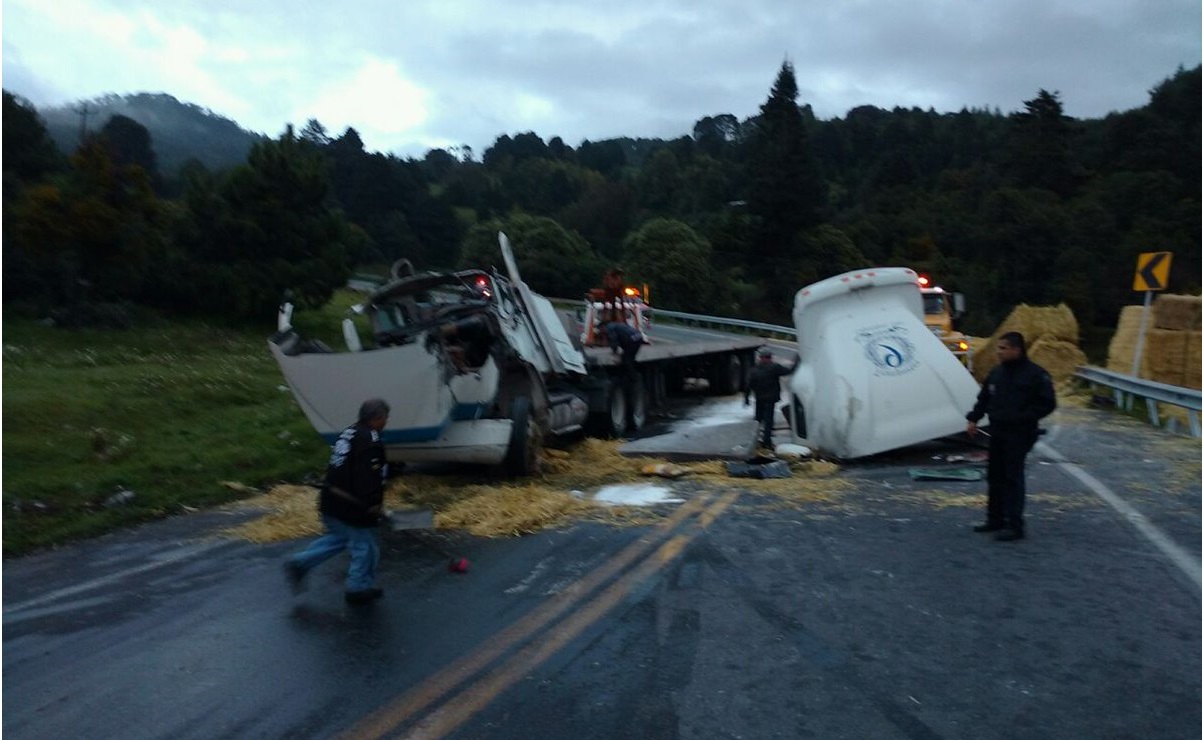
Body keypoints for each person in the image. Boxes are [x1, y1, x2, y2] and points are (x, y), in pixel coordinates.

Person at [285, 398, 391, 603]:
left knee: (341, 538)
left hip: (331, 500)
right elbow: (368, 478)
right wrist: (374, 504)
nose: (386, 422)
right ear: (377, 418)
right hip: (352, 505)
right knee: (366, 545)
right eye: (385, 418)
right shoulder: (370, 441)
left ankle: (299, 563)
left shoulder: (350, 432)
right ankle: (358, 589)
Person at [965, 332, 1056, 542]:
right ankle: (994, 519)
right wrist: (973, 419)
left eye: (1003, 348)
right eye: (998, 348)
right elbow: (984, 399)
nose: (999, 352)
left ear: (1017, 350)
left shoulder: (1035, 375)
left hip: (1020, 432)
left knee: (1012, 477)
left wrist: (1022, 418)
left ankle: (1014, 525)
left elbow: (1047, 404)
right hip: (997, 431)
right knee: (995, 475)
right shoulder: (997, 373)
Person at [744, 347, 798, 451]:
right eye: (768, 357)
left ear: (760, 358)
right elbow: (789, 371)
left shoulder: (754, 369)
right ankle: (766, 442)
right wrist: (797, 361)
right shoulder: (774, 367)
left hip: (759, 398)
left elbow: (748, 385)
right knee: (768, 421)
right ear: (766, 358)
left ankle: (754, 441)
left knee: (758, 420)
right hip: (770, 398)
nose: (769, 359)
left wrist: (746, 398)